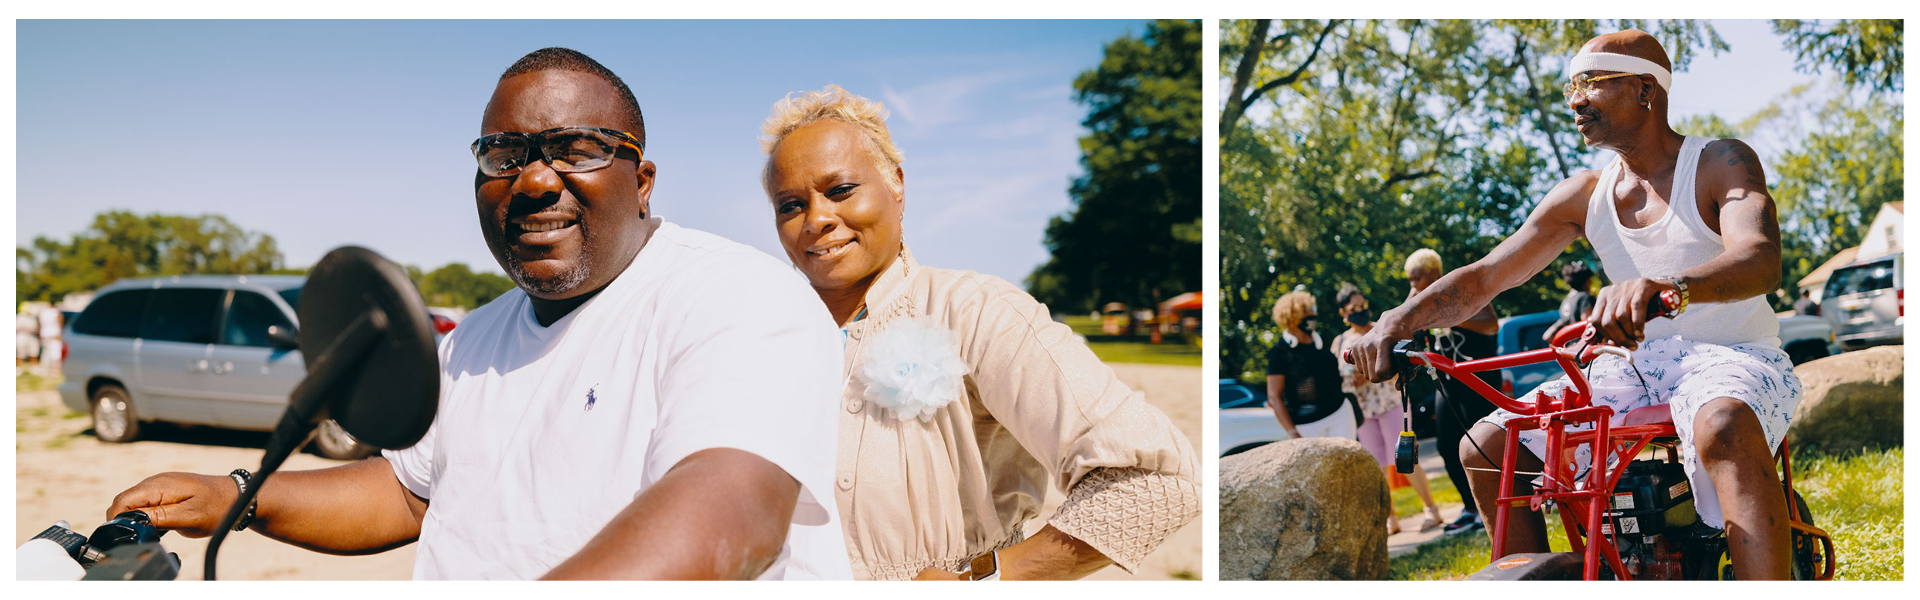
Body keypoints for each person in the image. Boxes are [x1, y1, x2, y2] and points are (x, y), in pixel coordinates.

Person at [105, 48, 851, 580]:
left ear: (642, 180)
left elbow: (731, 520)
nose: (531, 179)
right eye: (504, 154)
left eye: (576, 149)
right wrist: (240, 496)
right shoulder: (475, 339)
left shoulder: (738, 298)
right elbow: (406, 492)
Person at [1350, 31, 1803, 578]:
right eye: (1570, 86)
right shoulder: (1583, 195)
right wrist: (1393, 322)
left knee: (1722, 423)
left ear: (1644, 89)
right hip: (1636, 368)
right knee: (1489, 447)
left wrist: (1665, 286)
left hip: (1736, 355)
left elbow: (1760, 258)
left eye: (1591, 82)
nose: (1574, 100)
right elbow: (1485, 277)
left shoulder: (1718, 161)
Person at [759, 85, 1199, 580]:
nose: (816, 219)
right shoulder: (761, 337)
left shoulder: (976, 311)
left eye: (840, 191)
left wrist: (987, 578)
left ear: (896, 185)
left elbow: (1157, 479)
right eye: (790, 205)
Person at [1328, 283, 1444, 535]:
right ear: (1343, 313)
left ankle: (1431, 510)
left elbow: (1399, 364)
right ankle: (1391, 517)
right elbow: (1339, 379)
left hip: (1391, 402)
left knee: (1404, 458)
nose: (1360, 311)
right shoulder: (1339, 343)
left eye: (1363, 306)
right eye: (1353, 308)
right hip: (1364, 412)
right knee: (1378, 465)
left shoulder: (1380, 332)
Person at [1401, 248, 1502, 535]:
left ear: (1434, 273)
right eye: (1409, 280)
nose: (1413, 286)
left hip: (1478, 378)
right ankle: (1471, 508)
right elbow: (1405, 327)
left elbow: (1491, 323)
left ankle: (1495, 504)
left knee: (1484, 443)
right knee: (1447, 445)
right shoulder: (1422, 301)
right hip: (1447, 382)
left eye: (1416, 279)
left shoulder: (1462, 289)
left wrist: (1447, 317)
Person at [1265, 290, 1354, 440]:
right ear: (1291, 317)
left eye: (1311, 310)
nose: (1311, 316)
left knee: (1349, 462)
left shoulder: (1323, 340)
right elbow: (1274, 396)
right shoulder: (1280, 352)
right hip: (1307, 426)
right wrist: (1292, 432)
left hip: (1340, 414)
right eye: (1305, 312)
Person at [1542, 260, 1598, 343]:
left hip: (1574, 350)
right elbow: (1589, 326)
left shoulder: (1565, 302)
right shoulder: (1584, 298)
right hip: (1588, 349)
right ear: (1588, 281)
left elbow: (1547, 336)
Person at [37, 303, 63, 377]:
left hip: (44, 334)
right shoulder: (56, 312)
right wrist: (60, 333)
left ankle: (44, 368)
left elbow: (40, 324)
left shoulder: (42, 312)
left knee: (46, 352)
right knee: (55, 351)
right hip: (54, 334)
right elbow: (60, 322)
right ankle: (55, 369)